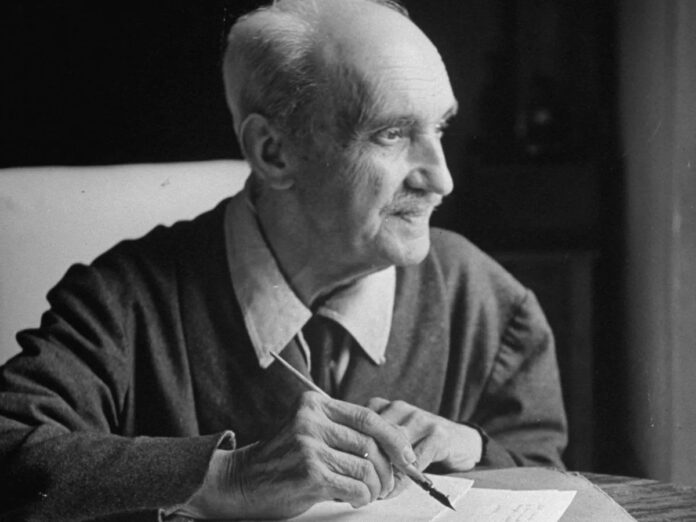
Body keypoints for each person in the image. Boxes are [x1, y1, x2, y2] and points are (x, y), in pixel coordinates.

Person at [0, 0, 567, 520]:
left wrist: (477, 449)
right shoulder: (121, 303)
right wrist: (228, 476)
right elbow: (11, 449)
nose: (441, 179)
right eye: (391, 134)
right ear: (273, 153)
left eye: (439, 127)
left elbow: (556, 484)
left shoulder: (491, 304)